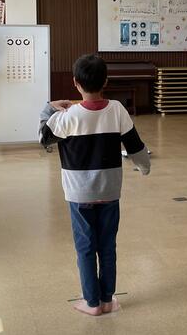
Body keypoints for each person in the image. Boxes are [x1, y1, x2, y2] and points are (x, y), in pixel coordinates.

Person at [43, 54, 150, 316]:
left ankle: (92, 303)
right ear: (106, 81)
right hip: (109, 190)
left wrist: (49, 108)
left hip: (79, 193)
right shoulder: (117, 109)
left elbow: (44, 138)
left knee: (86, 247)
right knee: (107, 246)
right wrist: (144, 167)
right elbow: (135, 146)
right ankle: (107, 299)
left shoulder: (67, 116)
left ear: (75, 83)